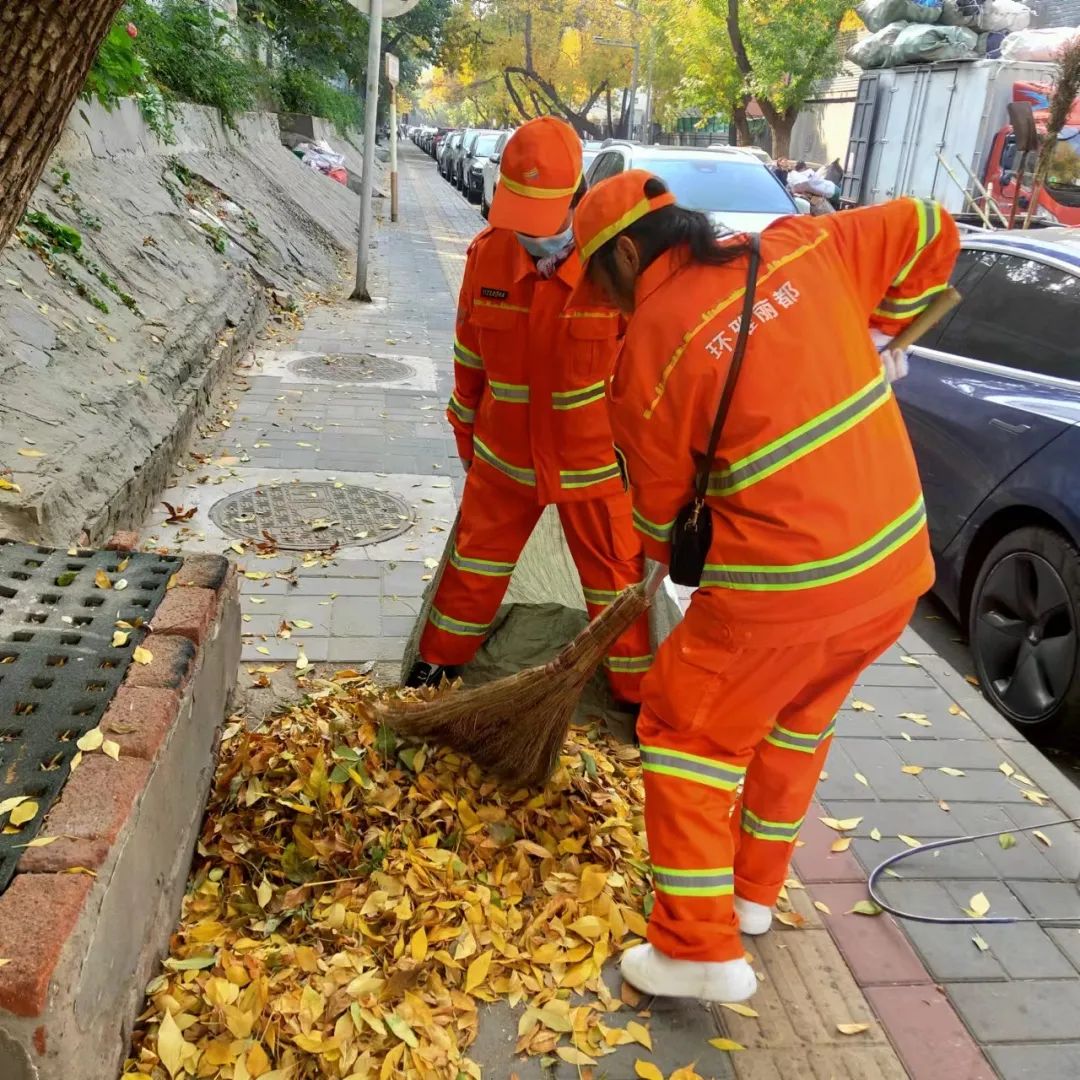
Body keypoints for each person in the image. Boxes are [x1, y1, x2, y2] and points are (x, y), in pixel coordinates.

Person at [572, 169, 959, 1001]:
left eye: (601, 286)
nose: (605, 307)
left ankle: (694, 950)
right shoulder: (807, 245)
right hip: (892, 572)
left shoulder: (648, 352)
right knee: (796, 721)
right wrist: (886, 334)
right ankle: (750, 897)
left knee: (685, 729)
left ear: (629, 253)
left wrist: (657, 556)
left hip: (782, 591)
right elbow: (932, 226)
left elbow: (661, 509)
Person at [405, 117, 652, 707]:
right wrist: (467, 444)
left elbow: (648, 376)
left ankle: (637, 696)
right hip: (504, 461)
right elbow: (468, 359)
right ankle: (436, 669)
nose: (527, 235)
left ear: (575, 196)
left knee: (616, 581)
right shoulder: (488, 258)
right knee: (473, 568)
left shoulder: (616, 266)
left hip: (594, 469)